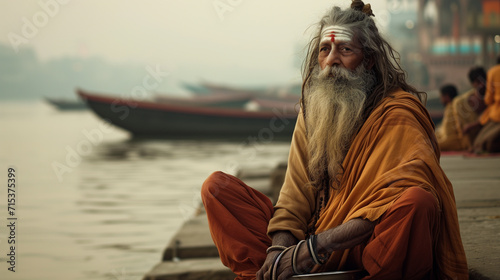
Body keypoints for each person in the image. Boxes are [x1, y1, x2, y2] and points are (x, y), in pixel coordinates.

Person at [201, 1, 468, 279]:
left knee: (417, 202)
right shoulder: (313, 110)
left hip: (364, 245)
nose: (331, 61)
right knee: (217, 188)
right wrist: (279, 251)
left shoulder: (397, 113)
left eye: (345, 50)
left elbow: (397, 194)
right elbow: (294, 198)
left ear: (369, 60)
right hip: (308, 243)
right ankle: (267, 274)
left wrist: (316, 248)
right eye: (325, 50)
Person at [436, 68, 487, 151]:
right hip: (460, 136)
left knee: (432, 145)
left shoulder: (491, 96)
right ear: (473, 83)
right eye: (478, 82)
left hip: (464, 138)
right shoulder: (460, 102)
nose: (481, 85)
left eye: (483, 81)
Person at [465, 56, 500, 153]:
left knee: (482, 142)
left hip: (496, 115)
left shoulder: (493, 72)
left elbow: (488, 100)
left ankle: (479, 147)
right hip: (494, 115)